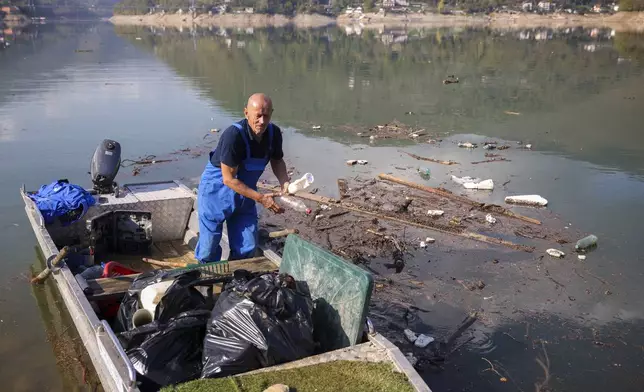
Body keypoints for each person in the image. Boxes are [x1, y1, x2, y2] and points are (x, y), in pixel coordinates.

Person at [195, 93, 290, 263]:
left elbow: (277, 160)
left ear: (272, 114)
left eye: (266, 115)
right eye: (258, 116)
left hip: (245, 195)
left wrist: (285, 182)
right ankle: (205, 284)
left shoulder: (274, 134)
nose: (262, 121)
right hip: (216, 193)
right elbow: (229, 179)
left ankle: (235, 283)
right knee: (208, 248)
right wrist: (261, 199)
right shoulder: (234, 136)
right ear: (246, 113)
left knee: (247, 247)